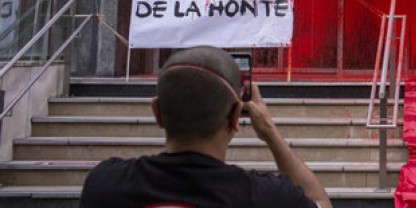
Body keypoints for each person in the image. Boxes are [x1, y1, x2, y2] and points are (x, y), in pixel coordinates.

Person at [79, 46, 332, 208]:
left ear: (157, 112)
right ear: (236, 118)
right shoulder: (268, 197)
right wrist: (269, 131)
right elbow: (319, 202)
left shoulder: (104, 185)